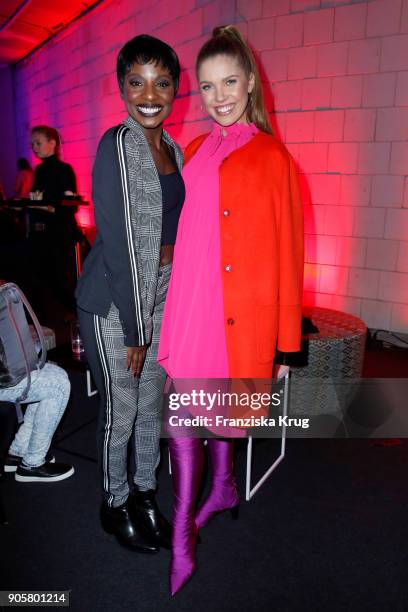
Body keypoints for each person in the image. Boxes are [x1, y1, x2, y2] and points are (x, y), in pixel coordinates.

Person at [157, 25, 304, 594]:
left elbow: (291, 252)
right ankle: (219, 489)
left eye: (230, 82)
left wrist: (287, 342)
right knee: (188, 414)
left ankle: (182, 538)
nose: (219, 96)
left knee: (202, 412)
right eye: (209, 85)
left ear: (249, 85)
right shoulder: (194, 148)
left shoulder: (273, 157)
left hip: (237, 314)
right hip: (190, 303)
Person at [76, 35, 184, 554]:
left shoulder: (175, 149)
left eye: (161, 82)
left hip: (159, 294)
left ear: (175, 90)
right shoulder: (117, 143)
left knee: (150, 406)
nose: (149, 94)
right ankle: (113, 503)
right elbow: (119, 245)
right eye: (136, 81)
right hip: (115, 301)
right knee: (121, 409)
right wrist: (138, 328)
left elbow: (175, 231)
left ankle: (144, 493)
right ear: (122, 87)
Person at [31, 126, 76, 202]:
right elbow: (35, 199)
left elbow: (71, 206)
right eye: (32, 144)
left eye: (38, 143)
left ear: (52, 143)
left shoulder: (64, 169)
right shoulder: (39, 169)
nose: (34, 148)